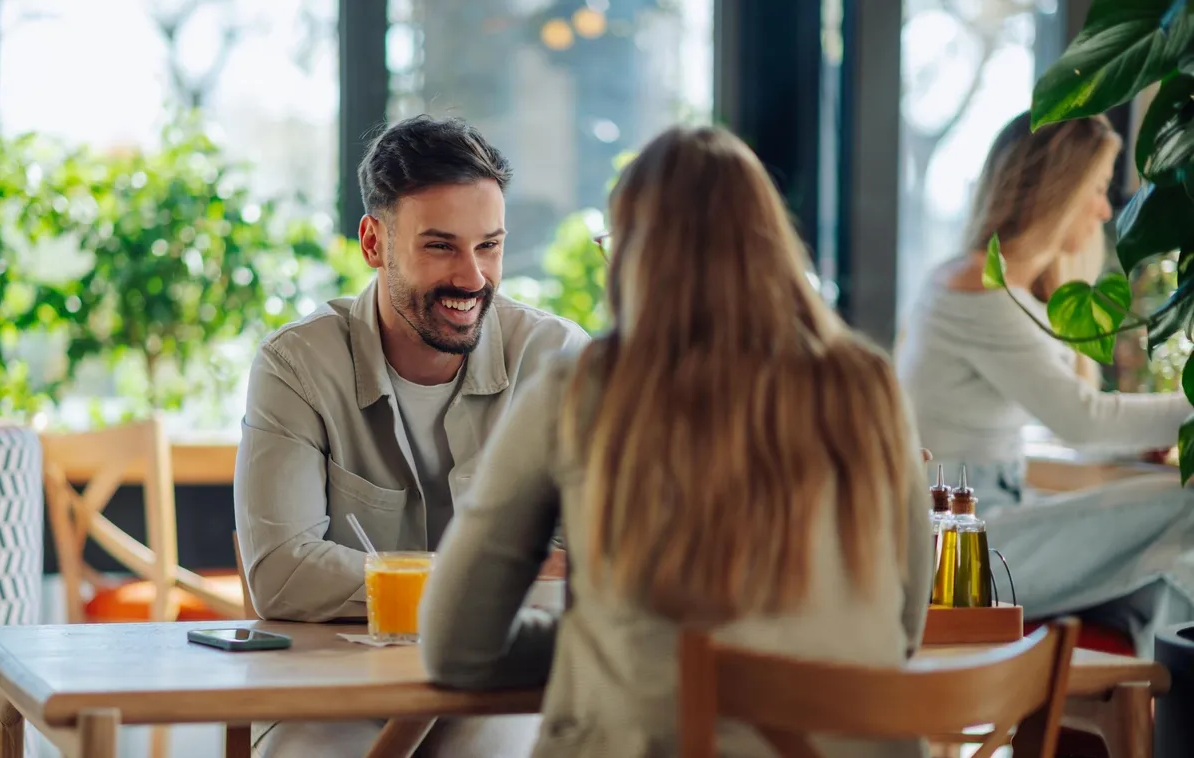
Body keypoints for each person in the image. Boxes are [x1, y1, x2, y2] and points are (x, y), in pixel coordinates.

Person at [419, 126, 932, 757]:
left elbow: (456, 646)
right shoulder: (870, 386)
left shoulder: (582, 390)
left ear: (635, 257)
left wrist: (609, 643)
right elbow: (903, 629)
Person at [234, 115, 588, 757]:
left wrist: (390, 581)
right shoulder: (298, 365)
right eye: (441, 246)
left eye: (490, 246)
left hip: (494, 683)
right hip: (331, 685)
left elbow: (573, 571)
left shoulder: (555, 358)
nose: (473, 277)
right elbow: (282, 575)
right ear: (374, 241)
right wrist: (478, 581)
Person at [896, 111, 1194, 657]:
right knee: (1187, 509)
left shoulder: (971, 280)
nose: (1106, 210)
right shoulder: (980, 294)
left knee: (1158, 588)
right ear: (1060, 190)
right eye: (1099, 189)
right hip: (965, 546)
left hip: (976, 526)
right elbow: (1085, 421)